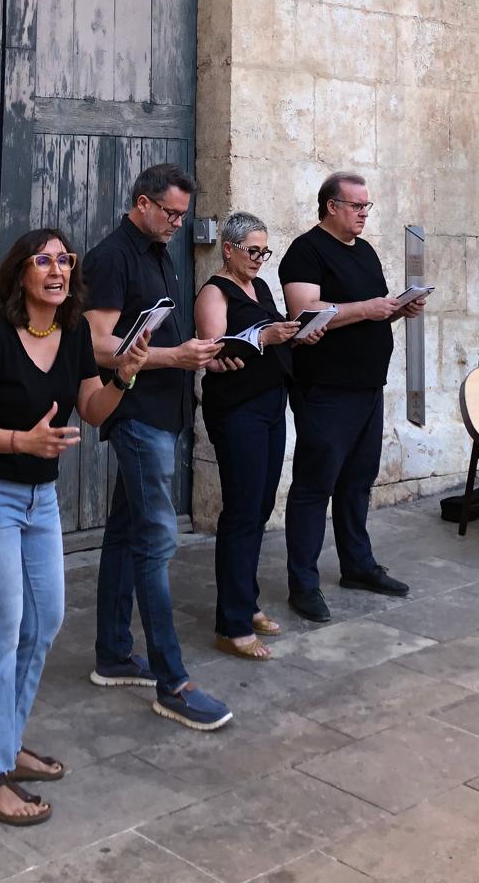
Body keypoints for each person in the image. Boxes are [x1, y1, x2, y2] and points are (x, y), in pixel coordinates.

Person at [0, 227, 150, 826]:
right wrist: (21, 441)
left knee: (44, 621)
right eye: (44, 261)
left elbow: (92, 407)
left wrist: (125, 376)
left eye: (65, 261)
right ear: (20, 274)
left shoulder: (75, 333)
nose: (57, 270)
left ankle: (3, 744)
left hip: (39, 502)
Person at [83, 163, 232, 731]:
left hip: (164, 413)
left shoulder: (158, 252)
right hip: (137, 416)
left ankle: (114, 653)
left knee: (126, 534)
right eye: (168, 212)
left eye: (181, 215)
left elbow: (156, 334)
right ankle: (174, 682)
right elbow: (98, 345)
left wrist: (203, 354)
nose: (176, 222)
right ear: (141, 203)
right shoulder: (112, 256)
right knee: (155, 542)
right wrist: (175, 358)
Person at [278, 171, 426, 623]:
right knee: (313, 485)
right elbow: (303, 312)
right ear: (331, 207)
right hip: (326, 388)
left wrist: (398, 310)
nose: (364, 213)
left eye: (367, 206)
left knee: (357, 481)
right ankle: (302, 583)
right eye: (357, 206)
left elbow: (371, 313)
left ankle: (357, 566)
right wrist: (367, 308)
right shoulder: (306, 250)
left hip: (367, 386)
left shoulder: (364, 251)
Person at [194, 212, 306, 660]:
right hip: (237, 409)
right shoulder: (213, 291)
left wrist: (298, 333)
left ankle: (246, 599)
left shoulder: (258, 288)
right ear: (229, 249)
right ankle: (232, 624)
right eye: (252, 251)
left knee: (259, 505)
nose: (260, 259)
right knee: (241, 509)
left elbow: (270, 330)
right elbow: (215, 347)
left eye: (264, 251)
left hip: (269, 404)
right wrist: (266, 335)